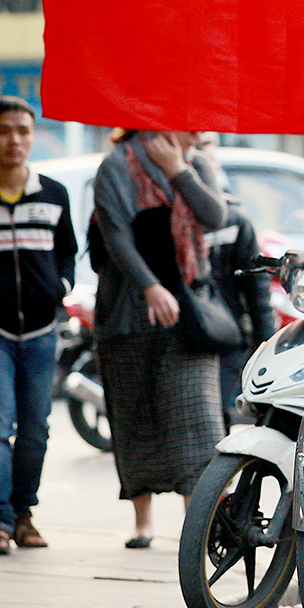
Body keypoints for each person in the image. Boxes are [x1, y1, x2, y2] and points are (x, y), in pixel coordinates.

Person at [91, 130, 228, 548]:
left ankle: (199, 526)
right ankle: (142, 522)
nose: (198, 130)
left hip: (190, 316)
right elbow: (115, 236)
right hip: (127, 315)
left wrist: (178, 170)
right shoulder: (116, 166)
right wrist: (150, 286)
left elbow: (216, 216)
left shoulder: (195, 163)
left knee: (197, 422)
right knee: (135, 420)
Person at [0, 97, 76, 553]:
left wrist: (61, 284)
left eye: (23, 130)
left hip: (42, 330)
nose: (14, 140)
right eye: (5, 130)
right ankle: (3, 519)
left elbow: (67, 249)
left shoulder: (53, 193)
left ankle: (24, 513)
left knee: (36, 429)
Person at [205, 191, 275, 427]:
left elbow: (257, 286)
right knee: (211, 414)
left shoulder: (234, 220)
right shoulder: (173, 217)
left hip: (225, 337)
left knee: (213, 414)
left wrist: (265, 343)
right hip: (215, 335)